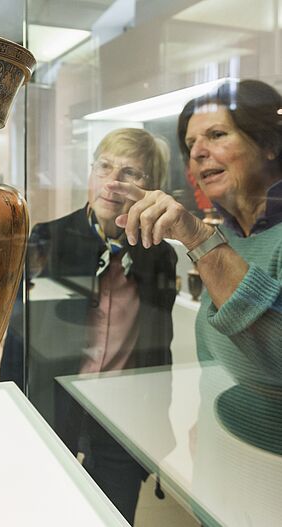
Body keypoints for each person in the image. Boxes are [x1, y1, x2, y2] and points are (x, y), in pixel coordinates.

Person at [0, 127, 177, 524]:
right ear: (91, 172)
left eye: (131, 173)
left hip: (122, 417)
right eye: (105, 166)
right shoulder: (48, 239)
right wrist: (13, 413)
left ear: (152, 188)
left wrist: (158, 424)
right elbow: (18, 338)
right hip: (54, 405)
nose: (113, 182)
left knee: (112, 516)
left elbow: (160, 345)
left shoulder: (159, 254)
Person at [108, 79, 282, 389]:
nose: (198, 152)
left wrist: (201, 240)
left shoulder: (215, 244)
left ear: (270, 144)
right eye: (190, 145)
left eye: (217, 135)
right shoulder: (232, 236)